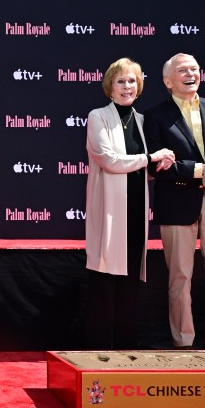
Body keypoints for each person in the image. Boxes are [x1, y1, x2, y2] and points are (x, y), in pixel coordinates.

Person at [143, 54, 205, 353]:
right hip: (176, 202)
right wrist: (200, 169)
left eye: (194, 69)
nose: (190, 74)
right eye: (182, 70)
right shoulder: (155, 117)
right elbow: (156, 166)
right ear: (168, 81)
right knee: (180, 277)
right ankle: (183, 342)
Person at [84, 58, 174, 349]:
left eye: (132, 81)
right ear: (110, 86)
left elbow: (142, 167)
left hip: (135, 209)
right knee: (105, 281)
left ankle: (125, 349)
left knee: (131, 283)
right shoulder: (98, 116)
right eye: (121, 81)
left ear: (140, 86)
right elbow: (108, 159)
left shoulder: (142, 120)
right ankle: (100, 350)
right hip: (110, 209)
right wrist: (149, 158)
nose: (127, 86)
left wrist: (159, 163)